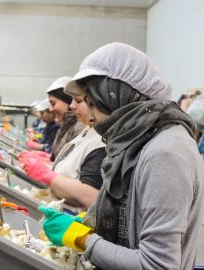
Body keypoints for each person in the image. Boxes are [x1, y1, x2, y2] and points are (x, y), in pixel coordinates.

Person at [39, 42, 204, 269]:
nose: (89, 114)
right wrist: (91, 224)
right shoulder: (136, 141)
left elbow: (158, 265)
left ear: (114, 96)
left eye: (91, 102)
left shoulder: (165, 153)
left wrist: (83, 239)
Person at [20, 84, 106, 209]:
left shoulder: (99, 138)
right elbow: (71, 164)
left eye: (79, 100)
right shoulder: (87, 129)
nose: (72, 106)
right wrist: (47, 162)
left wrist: (47, 173)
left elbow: (92, 195)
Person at [46, 77, 85, 160]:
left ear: (67, 100)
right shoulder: (66, 124)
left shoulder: (80, 127)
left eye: (53, 103)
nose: (50, 109)